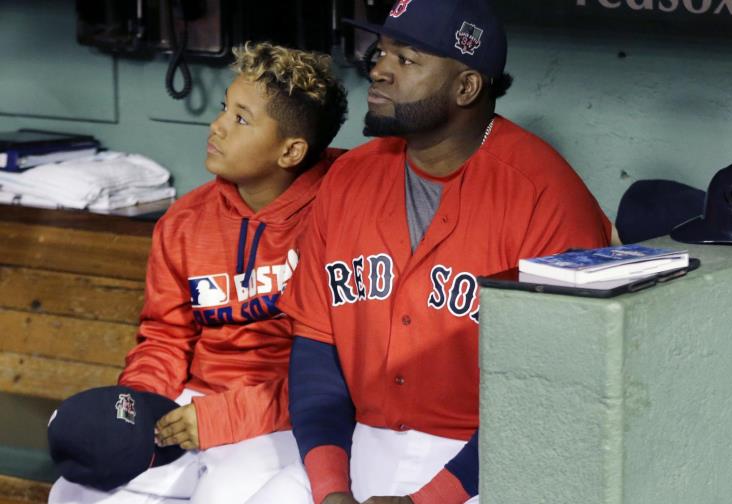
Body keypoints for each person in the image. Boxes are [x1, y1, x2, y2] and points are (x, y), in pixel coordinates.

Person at [248, 1, 614, 503]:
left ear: (466, 87)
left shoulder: (545, 196)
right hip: (359, 445)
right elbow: (317, 353)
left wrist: (429, 500)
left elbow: (553, 392)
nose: (378, 68)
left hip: (487, 468)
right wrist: (332, 489)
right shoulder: (351, 178)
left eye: (407, 59)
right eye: (382, 51)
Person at [48, 41, 348, 504]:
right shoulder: (186, 219)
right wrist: (137, 407)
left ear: (290, 151)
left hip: (282, 419)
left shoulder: (339, 218)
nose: (217, 126)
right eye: (225, 108)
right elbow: (166, 337)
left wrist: (221, 417)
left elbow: (338, 371)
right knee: (75, 491)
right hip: (189, 403)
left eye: (241, 120)